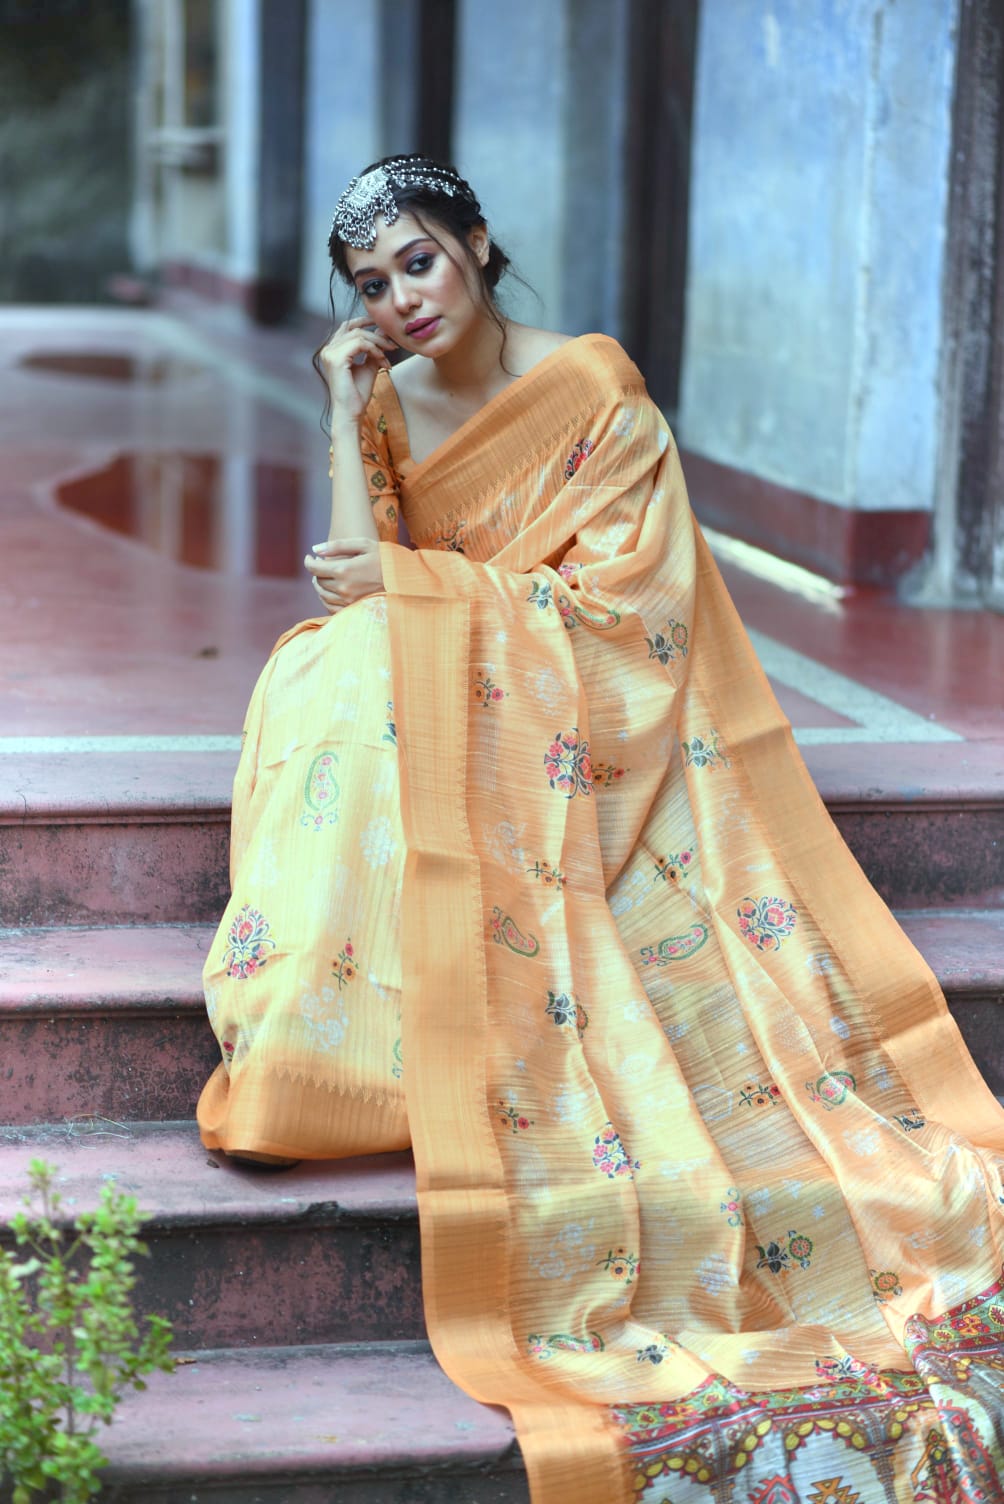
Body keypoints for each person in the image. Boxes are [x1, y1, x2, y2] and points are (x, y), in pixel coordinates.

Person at [197, 156, 1004, 1504]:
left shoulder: (592, 394)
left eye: (419, 262)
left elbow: (636, 617)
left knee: (372, 654)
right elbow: (354, 581)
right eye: (371, 287)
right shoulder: (385, 397)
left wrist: (426, 597)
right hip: (463, 690)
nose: (401, 302)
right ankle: (320, 1059)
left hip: (589, 721)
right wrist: (342, 410)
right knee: (329, 664)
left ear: (477, 244)